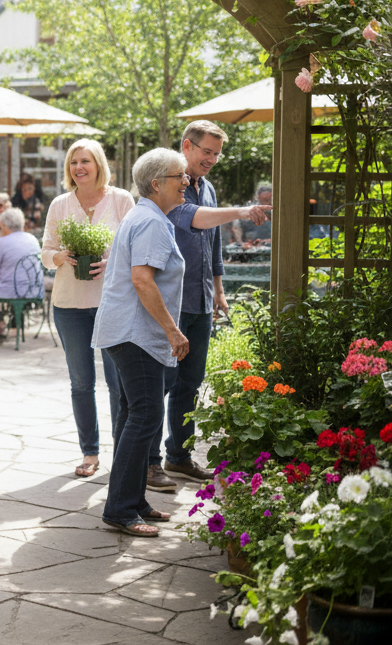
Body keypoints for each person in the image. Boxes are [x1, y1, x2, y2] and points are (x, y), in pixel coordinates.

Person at [93, 148, 271, 536]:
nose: (187, 182)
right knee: (144, 418)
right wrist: (173, 330)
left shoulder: (146, 214)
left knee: (134, 417)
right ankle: (121, 509)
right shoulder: (152, 222)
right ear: (157, 184)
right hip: (134, 334)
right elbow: (142, 280)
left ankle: (132, 501)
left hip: (125, 332)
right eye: (180, 177)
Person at [148, 121, 271, 492]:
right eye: (207, 152)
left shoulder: (210, 188)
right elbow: (193, 220)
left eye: (217, 153)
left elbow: (212, 243)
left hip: (200, 300)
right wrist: (242, 211)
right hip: (169, 303)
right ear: (187, 146)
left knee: (190, 382)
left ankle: (179, 457)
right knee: (162, 383)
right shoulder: (169, 185)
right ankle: (149, 463)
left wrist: (218, 289)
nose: (213, 159)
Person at [41, 139, 135, 478]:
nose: (78, 167)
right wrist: (58, 256)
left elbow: (133, 247)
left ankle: (122, 454)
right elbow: (46, 251)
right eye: (73, 162)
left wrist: (110, 263)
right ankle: (90, 453)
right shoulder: (60, 204)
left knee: (117, 383)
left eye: (85, 161)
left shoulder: (121, 199)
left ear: (99, 164)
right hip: (69, 304)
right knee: (81, 383)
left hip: (112, 304)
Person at [0, 207, 42, 343]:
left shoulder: (4, 242)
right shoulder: (32, 239)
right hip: (33, 289)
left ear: (4, 225)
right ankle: (1, 326)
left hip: (13, 290)